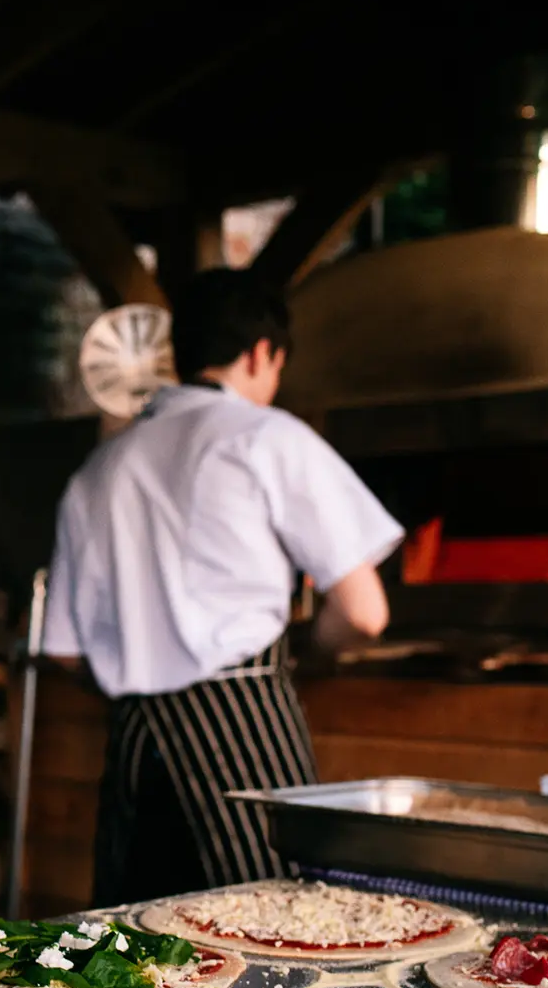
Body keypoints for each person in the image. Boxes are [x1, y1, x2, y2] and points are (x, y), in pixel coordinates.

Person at [41, 269, 401, 905]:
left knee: (135, 952)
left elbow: (65, 652)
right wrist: (310, 649)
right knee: (280, 935)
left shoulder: (97, 470)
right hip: (244, 720)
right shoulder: (268, 436)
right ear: (263, 352)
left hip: (133, 743)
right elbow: (364, 612)